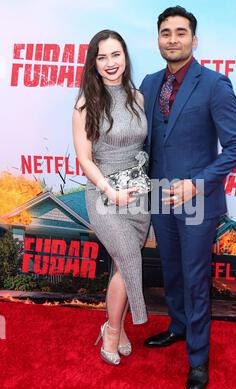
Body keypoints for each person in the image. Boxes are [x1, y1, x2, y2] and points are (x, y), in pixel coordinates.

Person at [140, 6, 236, 389]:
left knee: (195, 279)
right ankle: (178, 327)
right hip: (158, 198)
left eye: (180, 32)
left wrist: (197, 184)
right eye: (166, 32)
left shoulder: (215, 84)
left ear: (194, 40)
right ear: (158, 39)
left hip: (196, 200)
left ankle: (198, 359)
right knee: (171, 271)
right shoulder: (150, 84)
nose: (173, 39)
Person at [72, 30, 151, 366]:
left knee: (121, 263)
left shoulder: (138, 97)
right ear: (94, 63)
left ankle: (112, 325)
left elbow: (143, 145)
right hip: (104, 194)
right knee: (130, 257)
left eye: (115, 55)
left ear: (125, 57)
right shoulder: (85, 104)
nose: (109, 63)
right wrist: (109, 191)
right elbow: (85, 159)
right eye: (101, 57)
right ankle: (120, 328)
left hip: (137, 195)